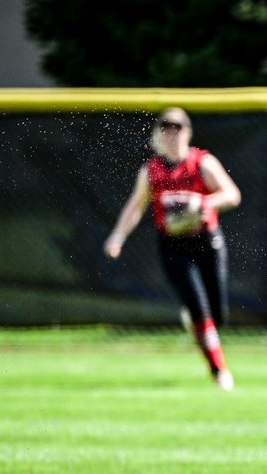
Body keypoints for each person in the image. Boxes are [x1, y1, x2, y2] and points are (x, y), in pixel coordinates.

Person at [105, 107, 242, 391]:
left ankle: (196, 321)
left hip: (206, 241)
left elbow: (232, 195)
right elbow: (136, 206)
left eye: (177, 127)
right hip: (173, 245)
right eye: (166, 128)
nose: (172, 133)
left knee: (217, 315)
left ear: (188, 132)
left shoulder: (202, 163)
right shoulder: (151, 170)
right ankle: (219, 372)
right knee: (200, 309)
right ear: (159, 134)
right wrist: (118, 236)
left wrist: (202, 203)